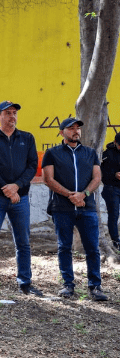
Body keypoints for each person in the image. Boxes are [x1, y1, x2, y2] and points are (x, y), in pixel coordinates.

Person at [0, 101, 43, 297]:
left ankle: (25, 282)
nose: (12, 116)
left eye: (14, 113)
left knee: (23, 242)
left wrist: (16, 187)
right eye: (8, 113)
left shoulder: (27, 138)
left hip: (20, 197)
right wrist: (6, 188)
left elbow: (32, 166)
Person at [42, 117, 107, 301]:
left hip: (87, 208)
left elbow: (97, 178)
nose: (76, 131)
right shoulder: (52, 153)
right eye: (71, 128)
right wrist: (71, 195)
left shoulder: (90, 153)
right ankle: (68, 285)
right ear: (62, 132)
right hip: (62, 208)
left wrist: (83, 194)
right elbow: (48, 179)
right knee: (64, 247)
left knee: (92, 248)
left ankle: (95, 286)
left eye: (78, 128)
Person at [100, 131, 120, 250]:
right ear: (115, 143)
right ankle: (115, 241)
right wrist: (114, 175)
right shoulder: (107, 154)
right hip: (111, 188)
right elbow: (101, 174)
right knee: (114, 215)